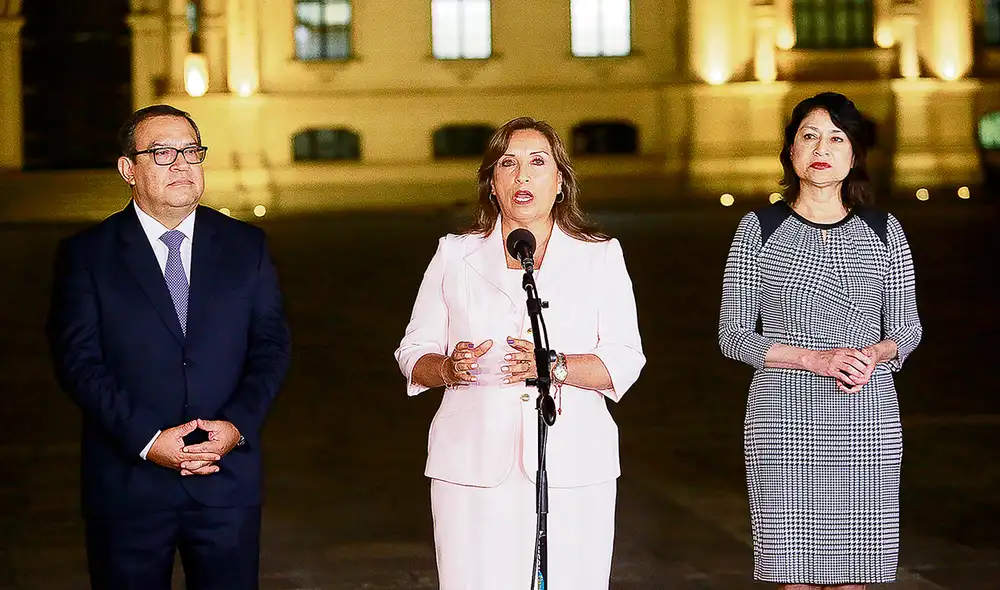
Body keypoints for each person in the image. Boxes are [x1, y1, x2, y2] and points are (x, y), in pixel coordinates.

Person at [46, 104, 291, 589]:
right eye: (161, 152)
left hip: (226, 477)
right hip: (127, 484)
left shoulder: (247, 246)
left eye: (191, 151)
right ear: (128, 169)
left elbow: (271, 346)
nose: (182, 163)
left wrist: (236, 426)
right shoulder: (87, 255)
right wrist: (147, 440)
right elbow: (79, 362)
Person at [394, 117, 645, 589]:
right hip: (470, 465)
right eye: (508, 163)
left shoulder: (600, 255)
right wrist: (447, 368)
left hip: (574, 463)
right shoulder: (454, 254)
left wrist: (559, 365)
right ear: (493, 183)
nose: (522, 176)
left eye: (537, 162)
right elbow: (414, 351)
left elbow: (626, 357)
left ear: (560, 182)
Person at [718, 92, 923, 590]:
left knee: (855, 575)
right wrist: (813, 358)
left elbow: (907, 327)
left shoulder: (883, 230)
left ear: (853, 154)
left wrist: (874, 353)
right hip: (784, 419)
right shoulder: (759, 230)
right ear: (791, 151)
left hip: (866, 417)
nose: (821, 147)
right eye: (808, 136)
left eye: (836, 138)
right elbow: (733, 334)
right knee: (795, 577)